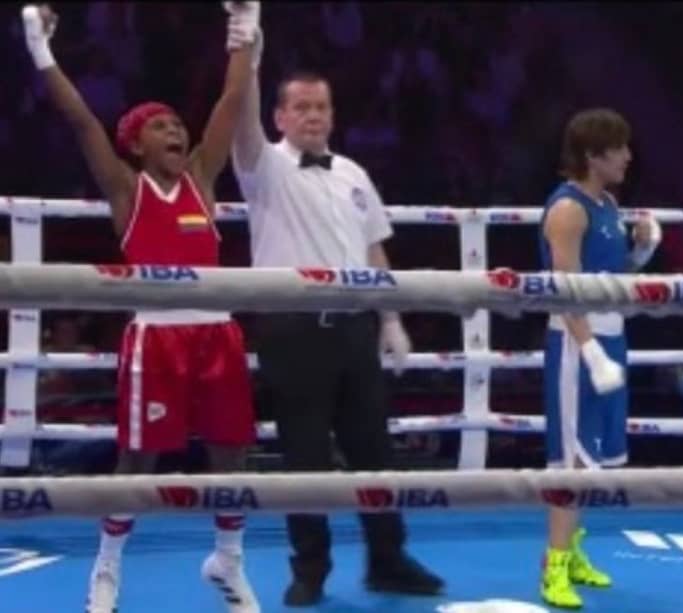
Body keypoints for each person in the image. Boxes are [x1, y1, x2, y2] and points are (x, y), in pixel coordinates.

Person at [20, 3, 263, 612]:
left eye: (178, 123)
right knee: (138, 460)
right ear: (136, 142)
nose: (176, 130)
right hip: (156, 339)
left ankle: (228, 563)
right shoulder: (128, 191)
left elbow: (230, 103)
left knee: (232, 451)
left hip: (217, 333)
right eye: (161, 126)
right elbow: (81, 124)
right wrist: (40, 49)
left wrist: (246, 28)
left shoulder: (203, 179)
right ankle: (105, 570)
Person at [229, 30, 444, 606]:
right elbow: (241, 122)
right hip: (293, 330)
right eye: (301, 107)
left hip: (354, 329)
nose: (313, 116)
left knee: (374, 449)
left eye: (321, 106)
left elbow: (376, 251)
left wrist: (392, 320)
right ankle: (310, 569)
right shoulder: (263, 166)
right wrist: (247, 51)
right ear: (280, 115)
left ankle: (388, 558)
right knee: (304, 454)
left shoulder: (353, 173)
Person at [538, 108, 661, 609]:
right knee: (569, 459)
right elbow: (566, 291)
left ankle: (575, 551)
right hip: (575, 343)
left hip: (611, 337)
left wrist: (643, 251)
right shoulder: (567, 210)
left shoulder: (607, 203)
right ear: (594, 155)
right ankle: (553, 566)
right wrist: (590, 352)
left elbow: (613, 280)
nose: (629, 157)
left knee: (594, 460)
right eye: (620, 148)